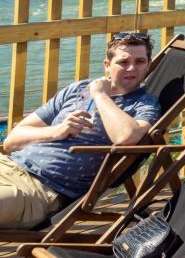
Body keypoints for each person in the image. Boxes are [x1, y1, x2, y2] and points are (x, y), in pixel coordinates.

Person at [0, 33, 162, 228]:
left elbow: (126, 137)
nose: (132, 68)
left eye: (140, 61)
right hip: (8, 167)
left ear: (148, 65)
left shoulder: (145, 104)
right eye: (123, 61)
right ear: (107, 65)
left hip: (40, 190)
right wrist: (56, 131)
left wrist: (100, 94)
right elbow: (11, 141)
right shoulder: (77, 89)